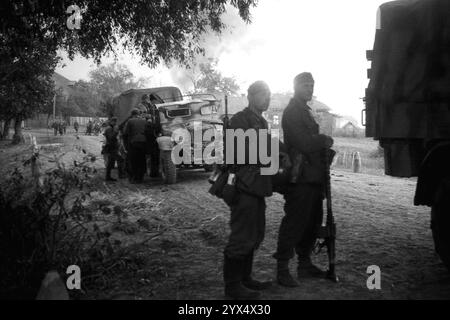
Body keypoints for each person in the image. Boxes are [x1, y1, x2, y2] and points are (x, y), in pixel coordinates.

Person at [273, 72, 334, 287]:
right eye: (306, 85)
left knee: (312, 222)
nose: (310, 89)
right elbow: (303, 142)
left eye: (312, 85)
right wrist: (324, 140)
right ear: (296, 87)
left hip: (313, 175)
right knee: (295, 222)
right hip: (300, 176)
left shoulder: (306, 111)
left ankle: (304, 265)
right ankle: (282, 269)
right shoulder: (292, 111)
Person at [222, 81, 273, 299]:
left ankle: (245, 278)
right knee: (242, 236)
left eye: (269, 95)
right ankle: (233, 286)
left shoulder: (261, 121)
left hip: (258, 186)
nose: (267, 98)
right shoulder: (239, 120)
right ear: (250, 96)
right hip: (244, 185)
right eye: (263, 94)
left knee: (255, 233)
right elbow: (236, 154)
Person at [122, 109, 150, 184]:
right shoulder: (144, 121)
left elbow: (125, 132)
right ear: (138, 114)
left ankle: (135, 178)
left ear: (132, 114)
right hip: (143, 142)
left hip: (134, 143)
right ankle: (141, 177)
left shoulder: (130, 121)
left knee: (134, 160)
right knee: (142, 159)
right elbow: (148, 131)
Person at [103, 117, 125, 182]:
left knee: (111, 163)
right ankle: (120, 175)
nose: (115, 123)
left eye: (115, 122)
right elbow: (110, 138)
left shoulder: (110, 128)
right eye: (114, 121)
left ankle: (108, 177)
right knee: (120, 160)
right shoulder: (109, 129)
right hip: (111, 148)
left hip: (113, 147)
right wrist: (116, 132)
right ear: (111, 121)